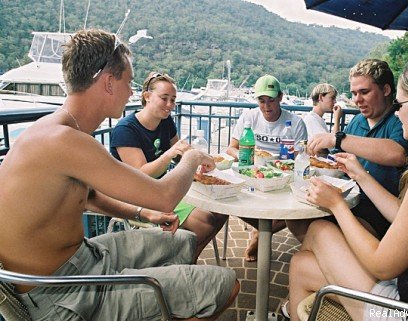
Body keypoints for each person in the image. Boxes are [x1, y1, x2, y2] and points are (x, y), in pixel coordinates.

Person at [0, 29, 238, 320]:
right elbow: (164, 197)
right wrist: (190, 157)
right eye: (129, 81)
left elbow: (87, 197)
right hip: (62, 296)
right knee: (227, 285)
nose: (131, 92)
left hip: (80, 259)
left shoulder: (58, 130)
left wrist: (144, 215)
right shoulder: (63, 140)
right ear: (109, 83)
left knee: (184, 242)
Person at [288, 50, 408, 321]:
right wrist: (361, 174)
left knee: (320, 229)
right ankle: (290, 312)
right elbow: (405, 214)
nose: (398, 114)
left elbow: (382, 266)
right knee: (301, 264)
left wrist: (336, 204)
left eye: (401, 105)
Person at [288, 59, 408, 242]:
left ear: (386, 90)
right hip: (346, 200)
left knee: (322, 234)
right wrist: (320, 156)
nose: (357, 100)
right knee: (295, 219)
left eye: (364, 92)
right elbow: (337, 158)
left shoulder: (400, 120)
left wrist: (337, 138)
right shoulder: (358, 121)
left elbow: (398, 154)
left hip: (377, 212)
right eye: (354, 93)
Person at [110, 72, 228, 261]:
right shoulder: (126, 130)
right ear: (147, 97)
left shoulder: (166, 122)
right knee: (205, 222)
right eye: (164, 98)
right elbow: (142, 174)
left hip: (164, 187)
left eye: (173, 100)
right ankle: (179, 262)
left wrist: (193, 164)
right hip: (137, 195)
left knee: (221, 210)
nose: (170, 105)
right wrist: (170, 154)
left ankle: (187, 259)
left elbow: (179, 156)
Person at [226, 74, 308, 261]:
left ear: (280, 97)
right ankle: (263, 230)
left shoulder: (295, 122)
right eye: (261, 101)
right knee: (233, 200)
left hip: (284, 176)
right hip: (255, 173)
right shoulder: (249, 117)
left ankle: (261, 233)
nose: (266, 106)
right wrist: (247, 156)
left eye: (271, 100)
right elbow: (231, 148)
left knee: (294, 209)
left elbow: (300, 156)